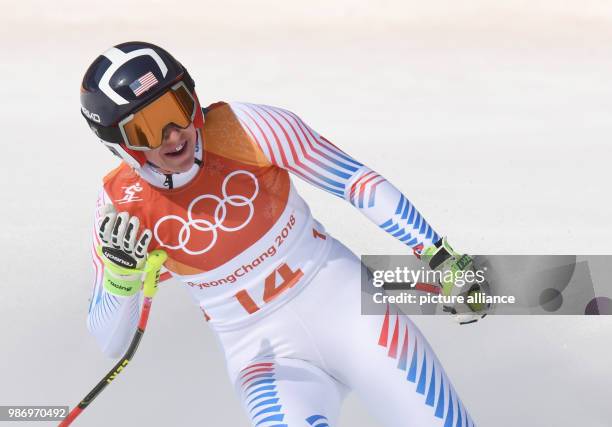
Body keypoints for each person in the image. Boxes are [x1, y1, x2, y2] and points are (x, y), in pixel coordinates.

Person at [81, 41, 487, 427]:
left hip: (347, 308)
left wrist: (438, 256)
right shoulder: (121, 206)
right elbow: (111, 342)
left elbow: (354, 182)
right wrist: (121, 281)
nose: (174, 133)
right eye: (148, 128)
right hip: (263, 357)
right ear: (118, 142)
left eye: (178, 105)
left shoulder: (247, 127)